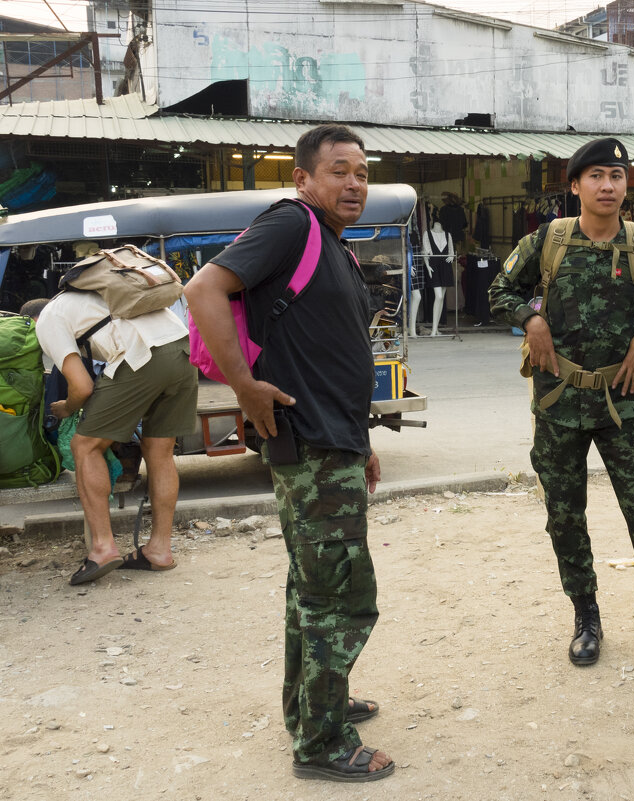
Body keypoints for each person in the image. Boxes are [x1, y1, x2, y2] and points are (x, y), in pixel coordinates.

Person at [183, 124, 393, 784]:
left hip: (335, 443)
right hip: (309, 447)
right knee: (342, 597)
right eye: (338, 170)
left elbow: (331, 356)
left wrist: (361, 443)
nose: (354, 182)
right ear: (303, 179)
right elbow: (202, 290)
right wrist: (242, 387)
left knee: (312, 589)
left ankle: (314, 707)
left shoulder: (335, 248)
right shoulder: (291, 224)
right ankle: (323, 743)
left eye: (361, 171)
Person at [488, 137, 634, 680]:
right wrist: (532, 319)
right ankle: (586, 618)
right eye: (597, 176)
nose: (609, 186)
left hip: (622, 403)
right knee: (565, 517)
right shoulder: (547, 241)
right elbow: (500, 290)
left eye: (617, 176)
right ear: (575, 185)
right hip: (558, 404)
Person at [34, 286, 197, 585]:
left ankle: (102, 549)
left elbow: (81, 387)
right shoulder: (92, 295)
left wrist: (65, 409)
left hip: (140, 355)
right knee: (159, 450)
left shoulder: (46, 321)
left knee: (84, 445)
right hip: (183, 348)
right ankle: (160, 551)